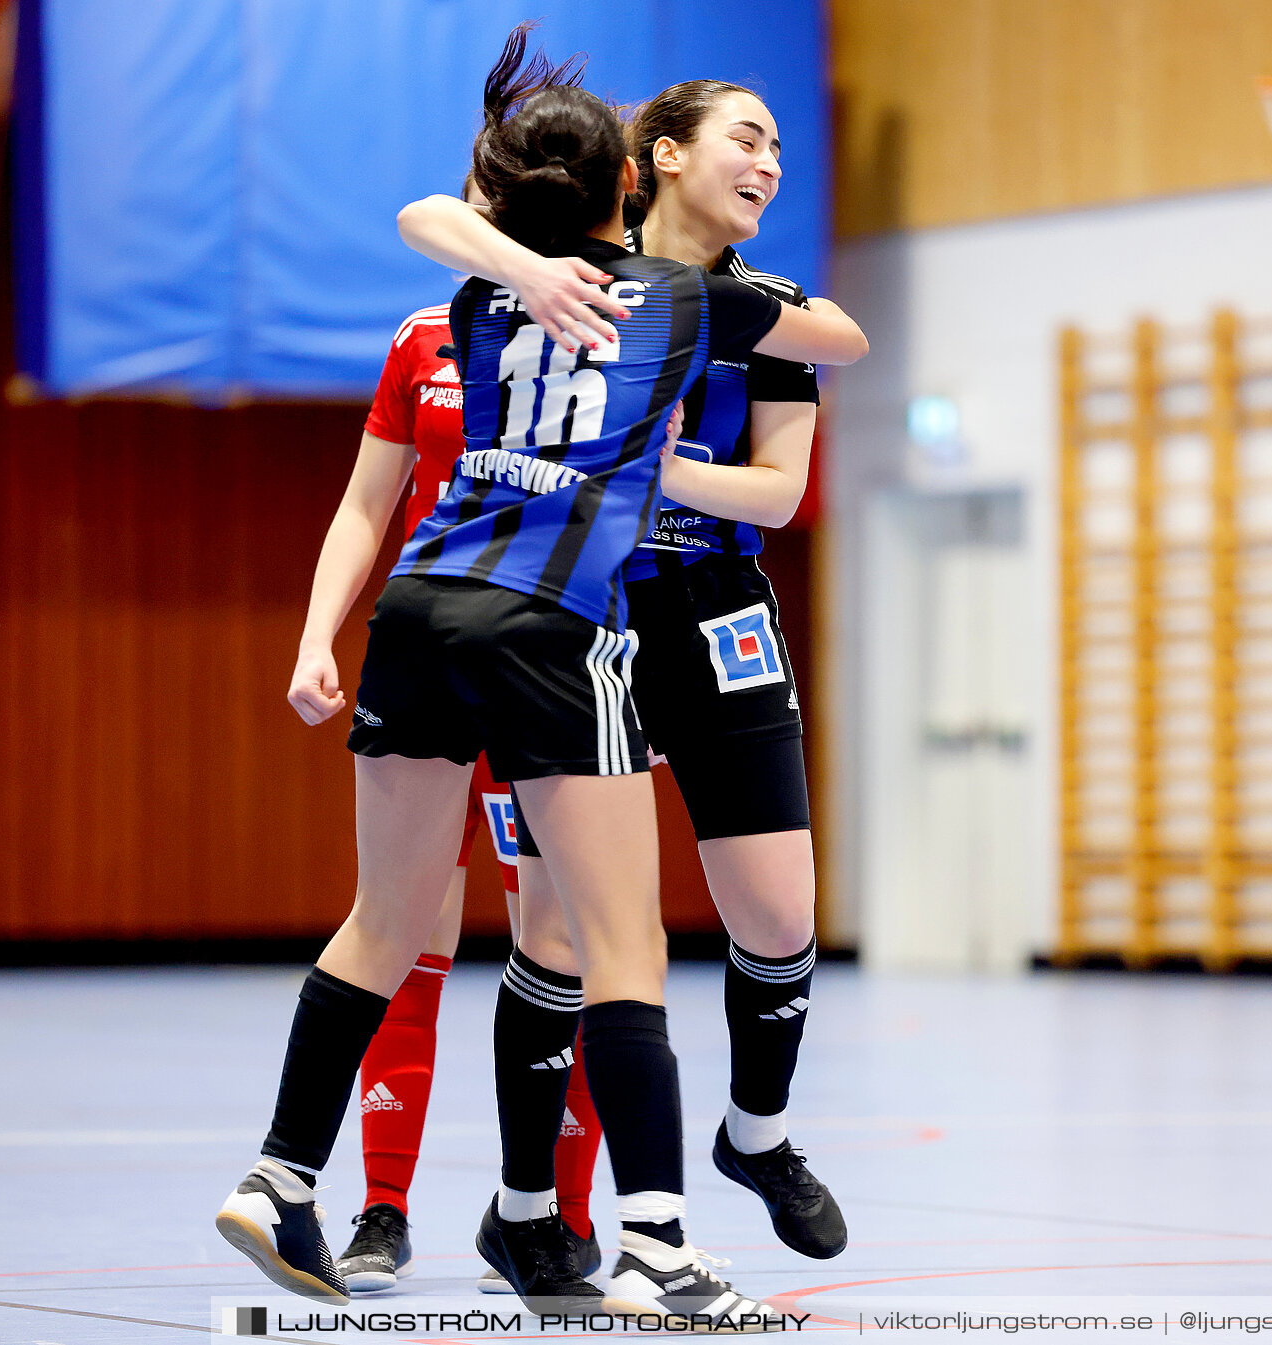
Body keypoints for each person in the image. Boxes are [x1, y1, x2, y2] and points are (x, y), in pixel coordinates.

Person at [214, 27, 866, 1321]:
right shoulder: (684, 303)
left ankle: (281, 1172)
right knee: (623, 947)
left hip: (419, 612)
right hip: (553, 631)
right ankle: (658, 1244)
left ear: (499, 198)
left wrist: (516, 255)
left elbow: (428, 217)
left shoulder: (470, 301)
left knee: (381, 924)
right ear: (635, 183)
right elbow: (837, 337)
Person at [397, 76, 845, 1268]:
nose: (770, 163)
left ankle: (758, 1133)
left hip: (716, 611)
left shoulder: (763, 315)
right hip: (579, 611)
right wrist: (532, 270)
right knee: (556, 927)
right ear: (662, 157)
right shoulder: (581, 272)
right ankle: (524, 1205)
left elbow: (783, 492)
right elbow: (437, 222)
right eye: (748, 139)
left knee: (780, 911)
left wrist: (650, 468)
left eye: (781, 147)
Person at [284, 234, 610, 1292]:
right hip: (430, 662)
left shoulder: (610, 335)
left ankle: (552, 1212)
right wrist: (315, 636)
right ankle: (382, 1208)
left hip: (543, 660)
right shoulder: (425, 337)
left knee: (563, 945)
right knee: (406, 930)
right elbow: (365, 501)